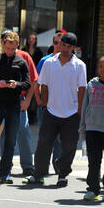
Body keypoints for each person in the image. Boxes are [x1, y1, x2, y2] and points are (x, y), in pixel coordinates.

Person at [23, 32, 87, 187]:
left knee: (69, 146)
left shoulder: (80, 65)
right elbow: (43, 85)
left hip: (72, 113)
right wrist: (44, 105)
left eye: (68, 46)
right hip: (51, 111)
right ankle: (38, 174)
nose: (65, 48)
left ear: (73, 48)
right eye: (62, 45)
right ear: (58, 44)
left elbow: (82, 89)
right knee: (44, 144)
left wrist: (79, 111)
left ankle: (62, 175)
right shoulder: (49, 63)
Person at [0, 31, 30, 183]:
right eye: (7, 48)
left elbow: (28, 83)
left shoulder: (21, 62)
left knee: (10, 140)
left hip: (13, 105)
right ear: (3, 45)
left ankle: (5, 173)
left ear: (17, 46)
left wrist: (16, 84)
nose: (9, 52)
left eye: (12, 49)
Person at [80, 56, 104, 202]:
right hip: (92, 129)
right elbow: (85, 106)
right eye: (100, 66)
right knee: (93, 161)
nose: (102, 69)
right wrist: (83, 127)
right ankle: (93, 189)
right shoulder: (92, 84)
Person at [35, 32, 64, 174]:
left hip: (61, 106)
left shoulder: (71, 61)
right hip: (46, 105)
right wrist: (39, 100)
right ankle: (42, 168)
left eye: (62, 43)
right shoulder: (45, 61)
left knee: (59, 139)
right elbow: (37, 81)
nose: (60, 45)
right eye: (57, 43)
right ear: (53, 44)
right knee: (45, 138)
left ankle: (58, 167)